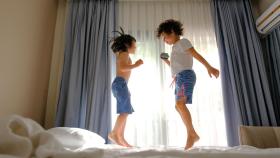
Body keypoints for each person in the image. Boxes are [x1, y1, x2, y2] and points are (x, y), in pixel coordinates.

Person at [157, 19, 220, 150]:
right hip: (180, 77)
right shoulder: (176, 47)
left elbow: (196, 55)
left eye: (165, 36)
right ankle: (191, 134)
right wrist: (166, 61)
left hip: (185, 76)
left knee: (180, 104)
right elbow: (176, 67)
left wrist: (209, 67)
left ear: (173, 32)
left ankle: (192, 134)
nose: (164, 40)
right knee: (177, 106)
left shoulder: (183, 42)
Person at [108, 28, 143, 147]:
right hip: (120, 84)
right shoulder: (124, 53)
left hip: (121, 84)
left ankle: (120, 136)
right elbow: (122, 68)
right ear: (128, 45)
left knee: (126, 110)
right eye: (134, 45)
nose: (135, 47)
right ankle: (114, 134)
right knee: (125, 111)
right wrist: (136, 65)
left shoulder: (123, 54)